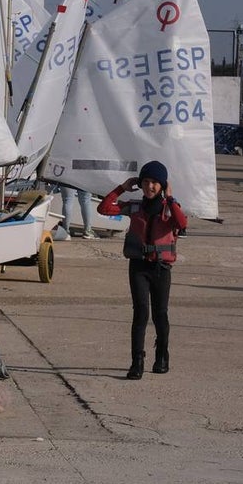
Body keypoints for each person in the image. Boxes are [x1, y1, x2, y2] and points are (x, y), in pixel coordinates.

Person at [97, 160, 187, 380]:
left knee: (160, 314)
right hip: (139, 266)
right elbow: (104, 208)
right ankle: (137, 361)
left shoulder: (170, 208)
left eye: (155, 182)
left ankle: (162, 355)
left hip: (161, 268)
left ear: (162, 185)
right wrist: (121, 188)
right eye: (145, 182)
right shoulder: (135, 207)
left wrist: (170, 197)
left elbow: (182, 223)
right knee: (140, 313)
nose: (149, 187)